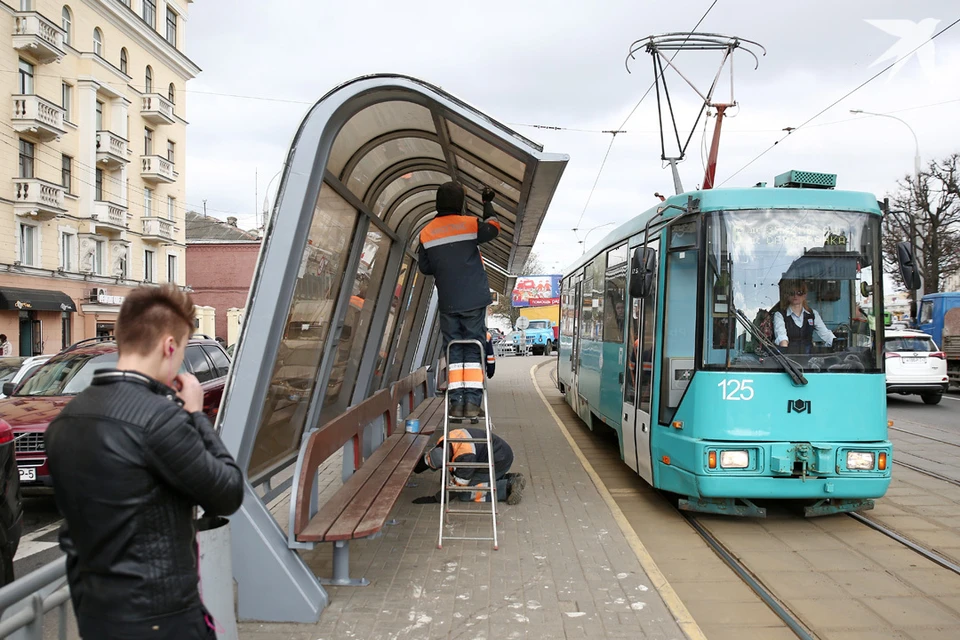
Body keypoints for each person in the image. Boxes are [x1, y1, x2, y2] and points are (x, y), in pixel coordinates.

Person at [45, 285, 244, 640]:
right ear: (170, 346)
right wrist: (197, 415)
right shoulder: (159, 419)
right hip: (161, 617)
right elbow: (227, 492)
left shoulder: (67, 420)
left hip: (96, 614)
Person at [418, 181, 500, 418]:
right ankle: (472, 404)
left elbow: (425, 267)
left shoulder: (427, 232)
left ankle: (456, 403)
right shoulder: (469, 225)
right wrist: (487, 203)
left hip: (449, 302)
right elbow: (494, 227)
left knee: (453, 351)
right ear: (460, 203)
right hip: (474, 300)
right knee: (473, 349)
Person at [413, 429, 525, 505]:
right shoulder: (444, 441)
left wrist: (436, 499)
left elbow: (459, 486)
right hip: (496, 452)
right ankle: (509, 477)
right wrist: (413, 469)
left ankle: (507, 486)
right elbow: (430, 459)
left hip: (500, 460)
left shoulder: (465, 457)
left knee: (465, 494)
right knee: (469, 478)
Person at [773, 279, 836, 354]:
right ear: (788, 295)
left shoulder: (813, 314)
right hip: (789, 359)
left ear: (804, 295)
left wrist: (837, 344)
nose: (795, 296)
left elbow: (825, 334)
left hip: (808, 359)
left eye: (799, 293)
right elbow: (782, 337)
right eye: (792, 293)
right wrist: (785, 353)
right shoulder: (780, 315)